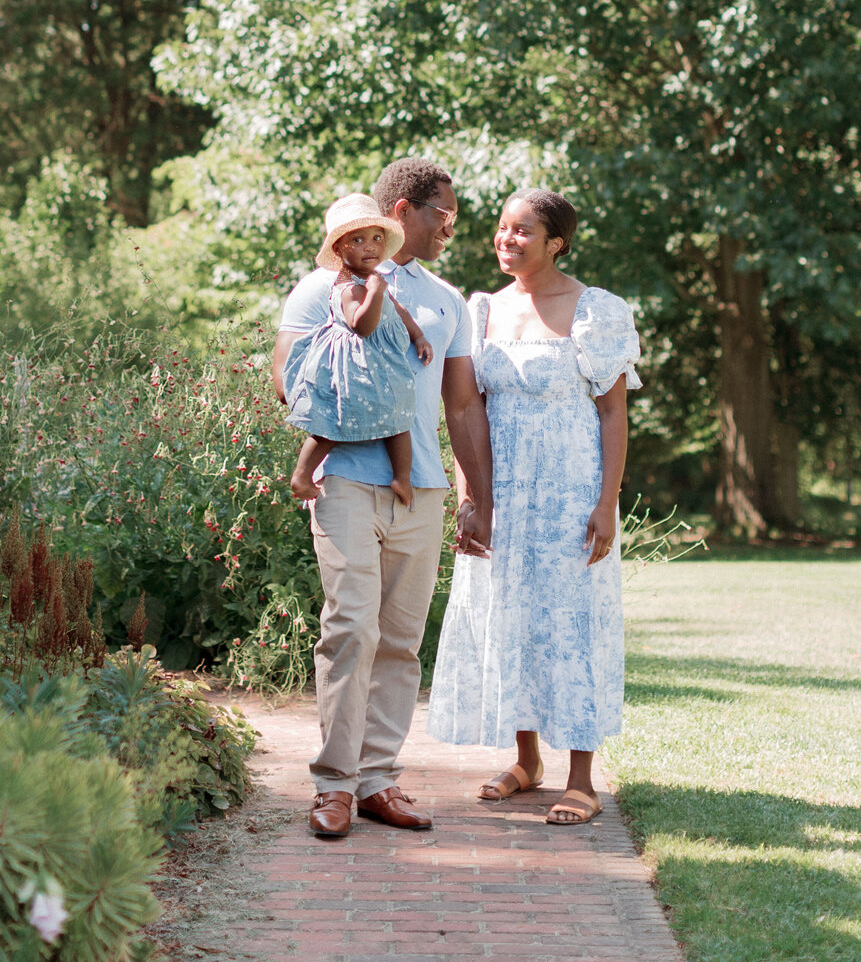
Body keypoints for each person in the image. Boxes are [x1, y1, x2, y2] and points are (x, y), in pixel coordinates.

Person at [273, 157, 494, 841]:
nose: (451, 228)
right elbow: (286, 384)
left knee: (399, 641)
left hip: (421, 489)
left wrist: (476, 496)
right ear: (401, 211)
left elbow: (461, 406)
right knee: (350, 630)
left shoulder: (446, 300)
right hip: (346, 480)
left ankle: (376, 780)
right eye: (443, 215)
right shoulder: (321, 287)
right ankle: (333, 786)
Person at [426, 189, 641, 827]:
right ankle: (526, 761)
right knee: (509, 615)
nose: (507, 240)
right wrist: (471, 499)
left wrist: (608, 503)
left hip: (572, 492)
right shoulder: (482, 310)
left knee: (572, 623)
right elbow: (468, 410)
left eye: (524, 232)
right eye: (501, 228)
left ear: (557, 242)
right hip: (503, 490)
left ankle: (581, 777)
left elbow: (613, 414)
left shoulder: (596, 311)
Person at [285, 194, 435, 507]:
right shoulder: (347, 287)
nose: (370, 246)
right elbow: (361, 325)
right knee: (335, 421)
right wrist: (376, 294)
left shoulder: (373, 281)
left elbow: (400, 311)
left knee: (401, 413)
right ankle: (302, 474)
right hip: (355, 368)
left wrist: (418, 336)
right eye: (358, 239)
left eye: (377, 238)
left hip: (386, 366)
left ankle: (401, 478)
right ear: (339, 248)